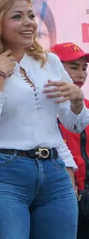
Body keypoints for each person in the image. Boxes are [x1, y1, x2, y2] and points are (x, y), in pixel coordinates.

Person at [0, 0, 89, 239]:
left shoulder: (50, 62)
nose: (28, 22)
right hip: (6, 175)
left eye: (31, 15)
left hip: (55, 171)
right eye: (17, 16)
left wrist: (76, 101)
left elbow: (75, 124)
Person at [51, 42, 89, 239]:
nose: (81, 74)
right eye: (73, 67)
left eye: (84, 68)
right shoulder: (43, 107)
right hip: (58, 194)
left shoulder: (86, 108)